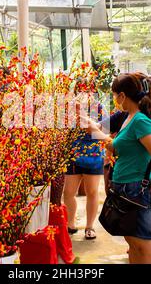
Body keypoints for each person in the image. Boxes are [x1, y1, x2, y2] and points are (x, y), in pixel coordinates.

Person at [99, 72, 151, 264]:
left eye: (115, 95)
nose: (115, 99)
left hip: (149, 185)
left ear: (124, 95)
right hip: (132, 187)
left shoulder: (150, 117)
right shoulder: (125, 116)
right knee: (136, 242)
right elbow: (101, 131)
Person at [63, 80, 105, 240]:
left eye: (87, 90)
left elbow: (104, 129)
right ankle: (70, 225)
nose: (83, 94)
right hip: (73, 154)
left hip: (93, 155)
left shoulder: (99, 107)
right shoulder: (69, 109)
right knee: (68, 193)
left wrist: (88, 122)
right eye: (79, 91)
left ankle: (89, 226)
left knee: (92, 192)